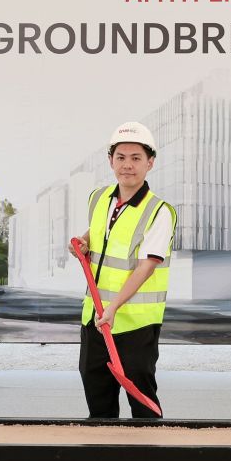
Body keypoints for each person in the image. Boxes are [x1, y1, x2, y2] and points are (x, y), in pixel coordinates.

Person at [75, 122, 176, 419]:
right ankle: (103, 448)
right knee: (98, 404)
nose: (127, 165)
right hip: (95, 320)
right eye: (120, 157)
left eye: (135, 158)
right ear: (110, 161)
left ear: (150, 163)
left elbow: (146, 267)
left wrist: (114, 307)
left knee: (142, 404)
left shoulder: (159, 212)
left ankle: (148, 449)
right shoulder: (98, 198)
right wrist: (82, 243)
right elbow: (98, 234)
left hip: (135, 325)